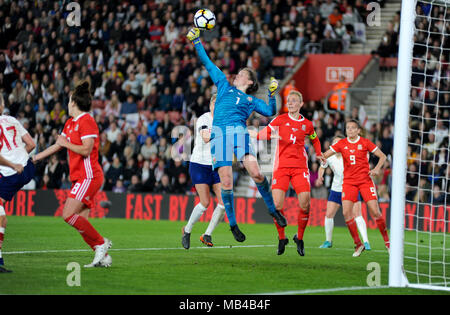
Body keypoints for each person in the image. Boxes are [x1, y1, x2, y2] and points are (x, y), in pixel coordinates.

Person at [187, 28, 287, 243]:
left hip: (239, 132)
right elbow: (208, 63)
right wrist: (196, 41)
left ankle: (273, 211)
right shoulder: (223, 85)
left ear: (249, 82)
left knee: (256, 172)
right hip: (220, 135)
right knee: (226, 182)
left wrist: (271, 95)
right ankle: (233, 225)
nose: (237, 74)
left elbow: (270, 111)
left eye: (242, 73)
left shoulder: (250, 101)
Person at [33, 81, 112, 267]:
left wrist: (66, 143)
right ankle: (103, 257)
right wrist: (36, 157)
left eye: (69, 101)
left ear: (74, 103)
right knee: (81, 221)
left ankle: (101, 243)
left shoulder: (87, 121)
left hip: (89, 175)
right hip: (80, 176)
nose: (67, 104)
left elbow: (86, 150)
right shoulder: (70, 123)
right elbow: (58, 145)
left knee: (68, 215)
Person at [249, 90, 324, 256]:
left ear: (301, 104)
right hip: (281, 167)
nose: (290, 103)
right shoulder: (280, 119)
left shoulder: (307, 124)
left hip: (300, 168)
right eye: (288, 101)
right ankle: (282, 238)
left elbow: (315, 138)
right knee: (277, 206)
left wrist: (318, 153)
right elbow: (265, 133)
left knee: (305, 203)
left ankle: (300, 237)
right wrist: (255, 134)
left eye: (294, 101)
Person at [322, 119, 390, 257]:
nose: (350, 130)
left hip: (365, 181)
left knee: (375, 211)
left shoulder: (365, 142)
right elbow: (325, 155)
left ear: (358, 130)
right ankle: (358, 244)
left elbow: (382, 156)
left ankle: (388, 243)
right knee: (347, 213)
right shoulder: (341, 143)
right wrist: (321, 156)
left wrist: (376, 169)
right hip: (349, 182)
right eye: (348, 128)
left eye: (353, 128)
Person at [182, 94, 226, 249]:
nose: (216, 106)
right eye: (214, 103)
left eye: (218, 104)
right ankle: (187, 230)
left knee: (223, 202)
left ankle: (207, 234)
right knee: (205, 202)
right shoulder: (203, 119)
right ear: (210, 105)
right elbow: (206, 137)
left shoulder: (225, 120)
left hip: (215, 165)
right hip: (199, 164)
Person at [0, 95, 36, 273]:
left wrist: (12, 164)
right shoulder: (12, 119)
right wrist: (20, 160)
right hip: (27, 169)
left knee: (0, 215)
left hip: (10, 173)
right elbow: (31, 143)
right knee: (0, 212)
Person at [316, 135, 370, 250]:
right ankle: (328, 241)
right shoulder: (329, 157)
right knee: (329, 214)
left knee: (357, 214)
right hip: (336, 189)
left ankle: (366, 242)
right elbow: (322, 167)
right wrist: (320, 177)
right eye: (335, 144)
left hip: (351, 188)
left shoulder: (350, 155)